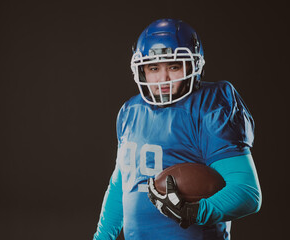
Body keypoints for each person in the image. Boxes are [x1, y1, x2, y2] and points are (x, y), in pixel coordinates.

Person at [93, 19, 262, 240]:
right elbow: (121, 184)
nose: (163, 78)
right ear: (142, 70)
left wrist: (195, 212)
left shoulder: (210, 106)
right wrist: (102, 237)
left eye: (173, 66)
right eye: (154, 68)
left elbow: (247, 192)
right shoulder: (130, 111)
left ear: (192, 65)